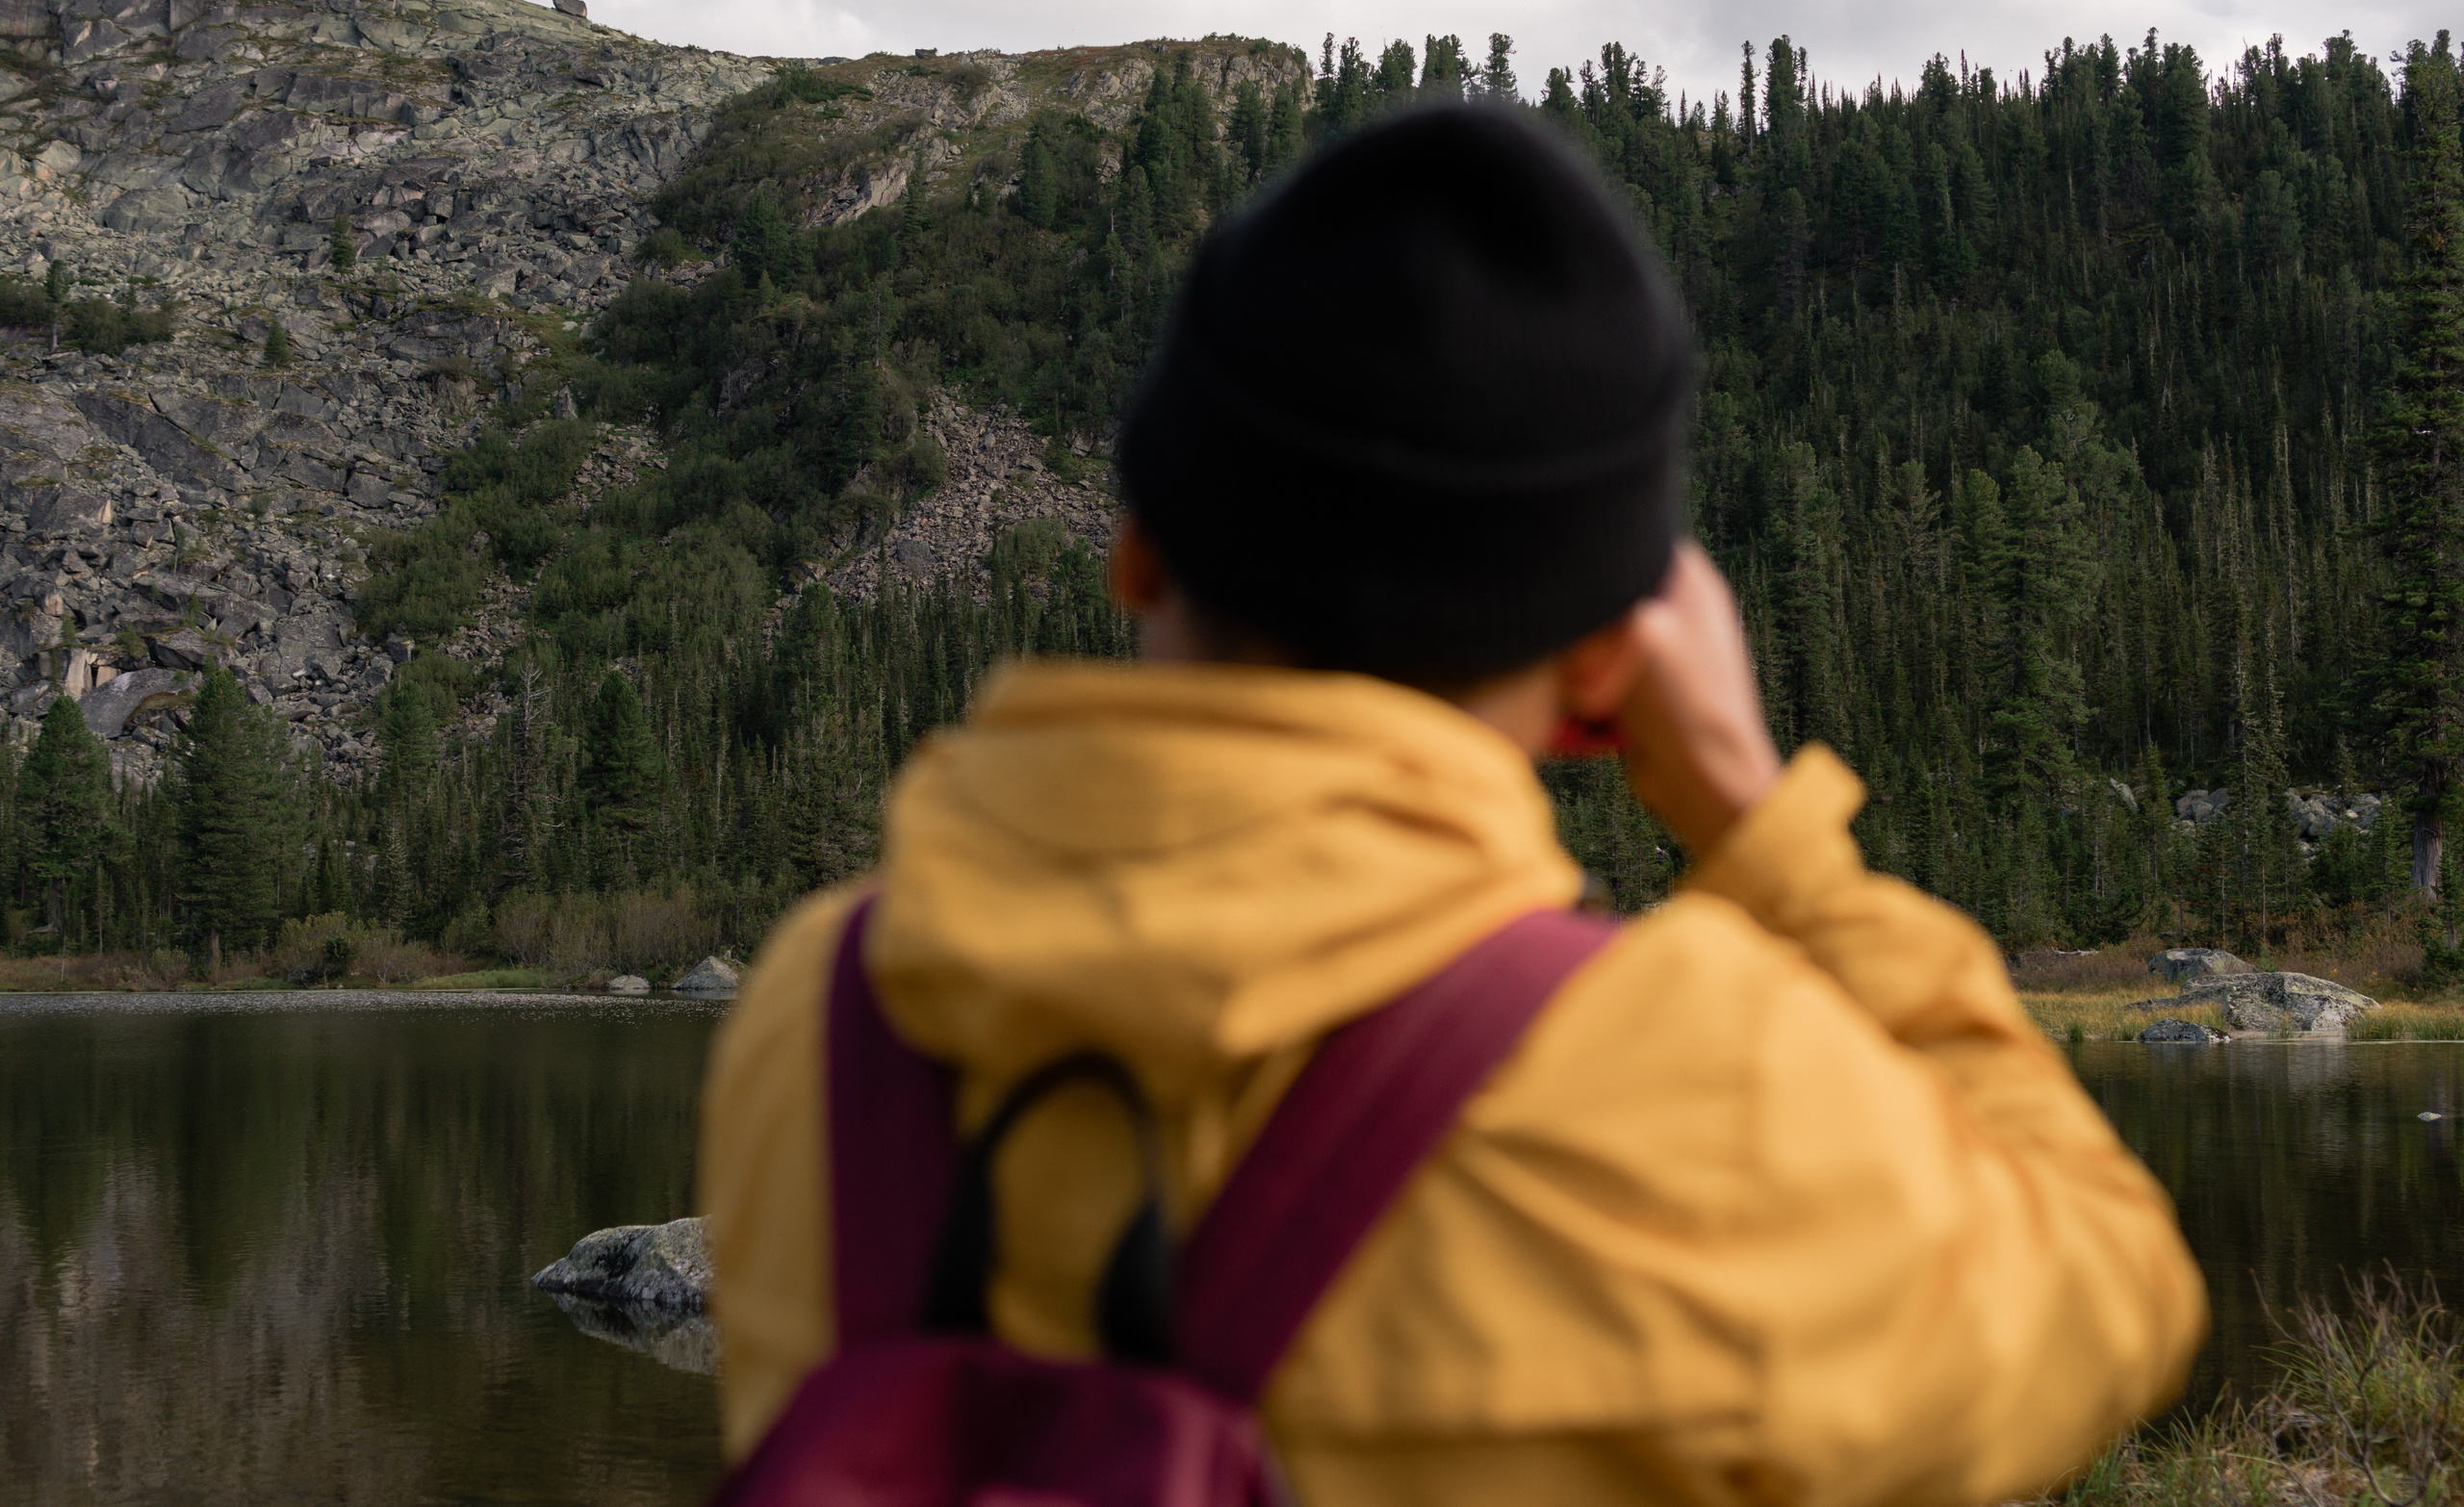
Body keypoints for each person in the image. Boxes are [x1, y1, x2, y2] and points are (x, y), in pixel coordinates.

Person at [698, 104, 2205, 1506]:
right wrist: (1762, 828)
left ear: (1139, 548)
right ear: (1605, 662)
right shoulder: (1692, 1083)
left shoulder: (816, 1012)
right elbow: (2114, 1285)